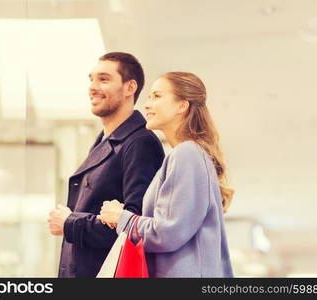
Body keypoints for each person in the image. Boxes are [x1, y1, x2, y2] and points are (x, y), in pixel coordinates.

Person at [98, 72, 235, 277]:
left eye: (156, 96)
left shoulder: (187, 154)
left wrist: (121, 218)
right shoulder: (188, 155)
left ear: (182, 105)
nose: (147, 105)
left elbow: (168, 232)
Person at [47, 52, 165, 278]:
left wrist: (70, 223)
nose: (92, 86)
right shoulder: (103, 140)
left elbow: (135, 226)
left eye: (103, 79)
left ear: (130, 87)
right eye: (91, 79)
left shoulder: (140, 143)